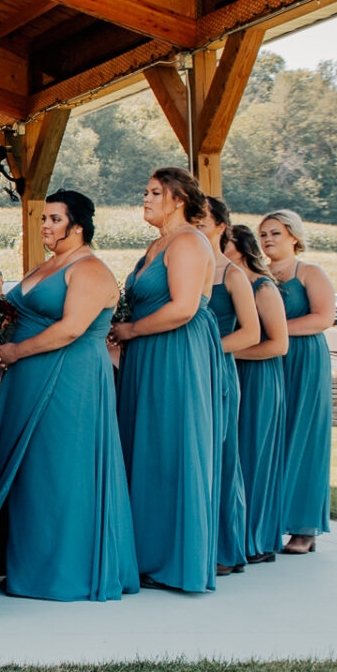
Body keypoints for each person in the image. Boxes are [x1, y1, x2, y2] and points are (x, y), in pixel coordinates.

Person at [0, 189, 139, 601]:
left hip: (67, 380)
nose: (45, 225)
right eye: (44, 218)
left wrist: (15, 351)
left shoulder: (90, 269)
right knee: (25, 473)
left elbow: (71, 327)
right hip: (25, 378)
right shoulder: (50, 264)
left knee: (56, 472)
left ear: (78, 226)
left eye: (55, 219)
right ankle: (16, 562)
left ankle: (59, 572)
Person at [110, 167, 221, 593]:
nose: (146, 198)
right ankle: (147, 552)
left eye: (156, 192)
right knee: (145, 445)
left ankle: (177, 559)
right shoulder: (155, 245)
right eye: (145, 191)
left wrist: (131, 331)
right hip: (146, 353)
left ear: (179, 200)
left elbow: (183, 308)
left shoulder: (190, 242)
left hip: (177, 352)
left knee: (175, 444)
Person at [259, 210, 335, 555]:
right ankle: (269, 521)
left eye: (275, 233)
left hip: (303, 359)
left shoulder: (309, 273)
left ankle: (304, 529)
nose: (268, 240)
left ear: (293, 236)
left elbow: (323, 317)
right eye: (263, 235)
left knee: (303, 435)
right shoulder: (258, 275)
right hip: (268, 359)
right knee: (269, 436)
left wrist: (277, 329)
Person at [197, 197, 260, 575]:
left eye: (202, 222)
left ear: (221, 227)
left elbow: (251, 333)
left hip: (217, 372)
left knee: (220, 455)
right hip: (181, 373)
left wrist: (203, 351)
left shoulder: (233, 274)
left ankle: (223, 547)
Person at [223, 224, 289, 564]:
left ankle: (259, 539)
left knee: (255, 455)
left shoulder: (262, 287)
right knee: (235, 456)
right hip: (231, 375)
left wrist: (226, 353)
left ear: (240, 247)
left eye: (226, 241)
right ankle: (235, 536)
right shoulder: (220, 283)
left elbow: (278, 344)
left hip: (259, 377)